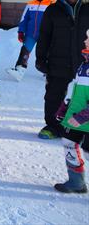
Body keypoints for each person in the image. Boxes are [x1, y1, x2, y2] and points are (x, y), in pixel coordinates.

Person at [36, 0, 89, 139]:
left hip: (85, 60)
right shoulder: (53, 9)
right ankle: (53, 126)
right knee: (54, 93)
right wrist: (41, 58)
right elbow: (44, 35)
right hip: (59, 59)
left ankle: (81, 128)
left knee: (85, 95)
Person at [53, 29, 89, 194]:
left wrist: (83, 116)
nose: (85, 41)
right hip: (75, 116)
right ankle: (76, 182)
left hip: (83, 117)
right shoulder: (84, 64)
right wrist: (65, 107)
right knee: (68, 142)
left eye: (88, 39)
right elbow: (73, 89)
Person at [7, 0, 55, 81]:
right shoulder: (31, 4)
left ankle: (49, 72)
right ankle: (19, 71)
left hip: (46, 35)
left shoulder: (53, 5)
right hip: (30, 34)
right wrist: (21, 31)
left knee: (47, 54)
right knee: (25, 51)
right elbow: (24, 19)